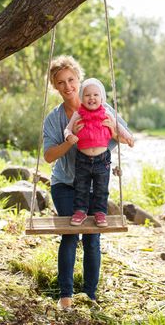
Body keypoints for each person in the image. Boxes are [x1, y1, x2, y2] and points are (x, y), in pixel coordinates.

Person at [43, 55, 132, 311]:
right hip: (65, 184)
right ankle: (66, 295)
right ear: (55, 86)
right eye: (61, 82)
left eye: (71, 80)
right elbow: (49, 157)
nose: (67, 86)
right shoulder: (54, 118)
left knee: (93, 239)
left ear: (79, 79)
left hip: (95, 182)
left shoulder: (101, 105)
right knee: (70, 236)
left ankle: (90, 295)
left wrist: (112, 129)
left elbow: (127, 137)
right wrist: (68, 142)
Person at [64, 78, 134, 228]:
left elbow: (119, 127)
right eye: (87, 95)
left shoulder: (107, 113)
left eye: (96, 95)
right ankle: (80, 211)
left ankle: (100, 213)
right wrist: (69, 135)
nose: (92, 98)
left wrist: (128, 137)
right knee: (81, 187)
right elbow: (67, 129)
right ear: (82, 98)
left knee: (101, 188)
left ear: (102, 98)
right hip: (82, 159)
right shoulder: (78, 114)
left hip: (102, 159)